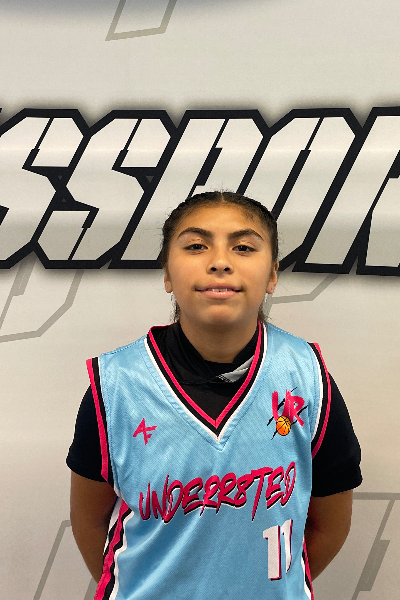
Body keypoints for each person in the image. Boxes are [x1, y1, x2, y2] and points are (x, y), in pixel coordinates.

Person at [67, 191, 362, 600]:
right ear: (167, 274)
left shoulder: (307, 379)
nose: (220, 261)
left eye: (243, 247)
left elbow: (330, 525)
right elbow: (88, 521)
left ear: (272, 274)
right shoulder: (116, 384)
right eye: (195, 246)